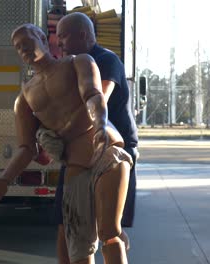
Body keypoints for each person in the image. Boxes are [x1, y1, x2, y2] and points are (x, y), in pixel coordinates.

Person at [0, 23, 132, 264]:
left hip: (106, 152)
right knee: (79, 249)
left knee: (109, 233)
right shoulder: (24, 98)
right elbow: (26, 148)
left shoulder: (78, 62)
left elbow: (93, 95)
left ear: (43, 38)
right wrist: (3, 179)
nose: (23, 49)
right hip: (75, 167)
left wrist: (100, 123)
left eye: (28, 41)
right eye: (18, 46)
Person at [54, 12, 139, 263]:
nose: (58, 42)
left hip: (111, 151)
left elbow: (97, 100)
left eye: (63, 36)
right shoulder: (69, 66)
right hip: (79, 151)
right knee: (66, 224)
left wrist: (59, 126)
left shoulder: (106, 60)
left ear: (83, 35)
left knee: (108, 232)